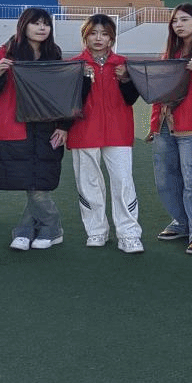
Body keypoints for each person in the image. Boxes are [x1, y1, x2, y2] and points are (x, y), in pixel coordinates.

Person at [0, 8, 79, 251]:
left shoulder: (54, 54)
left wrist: (64, 126)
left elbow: (64, 95)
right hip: (16, 127)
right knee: (31, 182)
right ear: (24, 26)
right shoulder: (2, 53)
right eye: (36, 23)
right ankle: (46, 228)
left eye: (46, 24)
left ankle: (32, 230)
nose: (42, 28)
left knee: (38, 183)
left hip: (46, 128)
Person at [69, 14, 144, 253]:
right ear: (85, 37)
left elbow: (131, 99)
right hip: (83, 130)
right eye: (93, 33)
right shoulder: (74, 65)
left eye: (104, 34)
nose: (98, 38)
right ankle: (96, 231)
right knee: (88, 182)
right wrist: (83, 78)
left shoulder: (124, 64)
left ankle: (129, 234)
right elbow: (69, 101)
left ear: (111, 38)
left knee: (123, 181)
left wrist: (125, 80)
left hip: (118, 130)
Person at [149, 3, 192, 254]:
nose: (178, 24)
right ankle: (181, 222)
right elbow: (159, 92)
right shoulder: (170, 51)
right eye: (175, 20)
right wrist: (154, 124)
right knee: (165, 179)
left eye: (184, 19)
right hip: (165, 124)